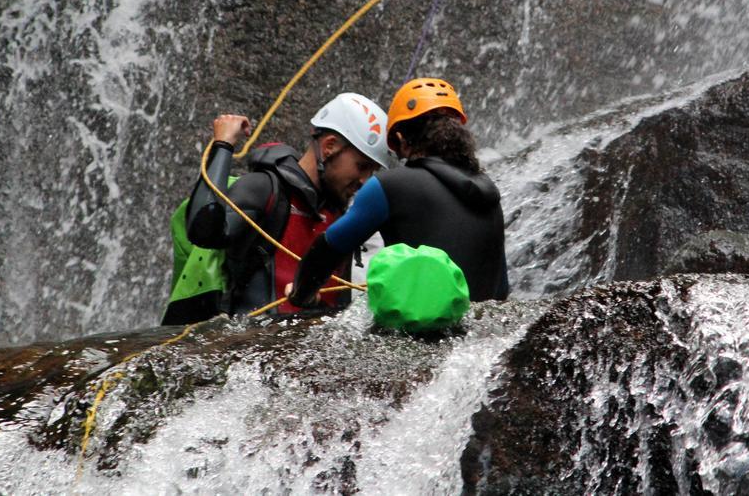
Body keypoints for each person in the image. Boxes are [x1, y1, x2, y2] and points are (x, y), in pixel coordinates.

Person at [161, 93, 393, 325]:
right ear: (329, 146)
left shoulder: (345, 217)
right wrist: (223, 146)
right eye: (362, 166)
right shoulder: (264, 190)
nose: (365, 180)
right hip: (248, 349)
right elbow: (204, 231)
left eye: (372, 171)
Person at [287, 78, 510, 309]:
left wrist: (301, 294)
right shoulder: (489, 194)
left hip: (422, 331)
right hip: (482, 335)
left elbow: (329, 248)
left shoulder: (390, 186)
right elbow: (501, 289)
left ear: (401, 139)